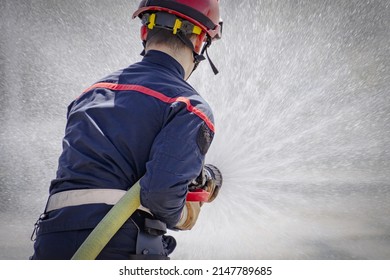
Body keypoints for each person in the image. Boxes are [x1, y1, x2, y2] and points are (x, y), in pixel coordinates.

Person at [31, 0, 223, 260]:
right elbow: (161, 196)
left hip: (52, 242)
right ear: (200, 42)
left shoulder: (89, 94)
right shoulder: (189, 107)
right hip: (120, 244)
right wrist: (186, 213)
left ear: (144, 32)